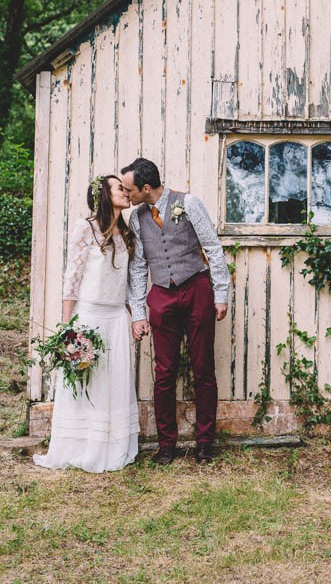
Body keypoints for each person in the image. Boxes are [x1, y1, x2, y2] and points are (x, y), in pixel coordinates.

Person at [121, 158, 230, 465]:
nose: (126, 195)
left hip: (196, 289)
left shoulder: (189, 203)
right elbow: (139, 265)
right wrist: (139, 313)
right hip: (162, 297)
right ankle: (166, 444)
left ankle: (205, 442)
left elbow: (212, 248)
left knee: (203, 369)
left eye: (129, 189)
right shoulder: (137, 218)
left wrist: (220, 294)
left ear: (145, 187)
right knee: (164, 373)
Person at [33, 176, 139, 473]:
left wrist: (135, 315)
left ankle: (112, 446)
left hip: (117, 318)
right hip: (89, 317)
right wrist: (67, 330)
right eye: (120, 188)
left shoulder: (127, 233)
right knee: (88, 383)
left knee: (114, 381)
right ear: (104, 194)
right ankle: (81, 447)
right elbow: (73, 278)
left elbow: (129, 281)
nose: (126, 192)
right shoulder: (86, 228)